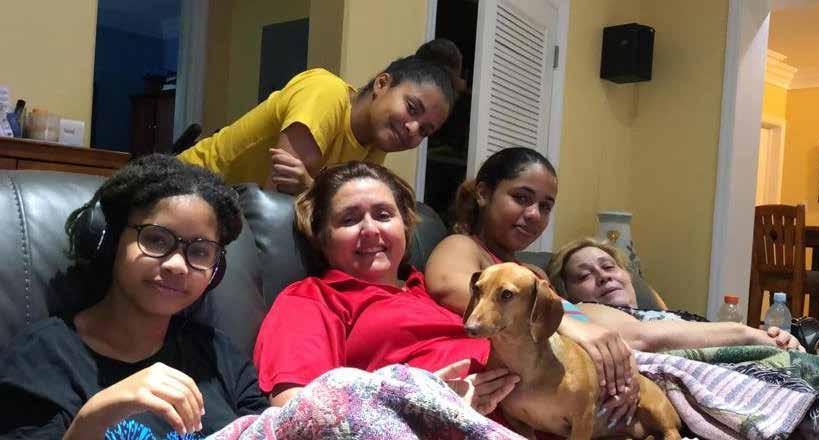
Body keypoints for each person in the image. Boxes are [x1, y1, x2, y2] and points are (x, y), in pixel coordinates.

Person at [0, 155, 269, 438]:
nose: (177, 265)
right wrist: (95, 417)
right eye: (156, 239)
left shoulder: (220, 355)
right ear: (111, 240)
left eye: (200, 251)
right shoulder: (42, 357)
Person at [252, 161, 519, 415]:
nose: (370, 229)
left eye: (383, 215)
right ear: (322, 237)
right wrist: (419, 406)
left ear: (405, 226)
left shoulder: (427, 289)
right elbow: (296, 411)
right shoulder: (312, 299)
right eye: (349, 220)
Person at [424, 147, 639, 429]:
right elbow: (448, 286)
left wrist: (624, 363)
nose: (535, 214)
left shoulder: (533, 273)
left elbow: (581, 324)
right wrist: (563, 324)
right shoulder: (463, 245)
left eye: (546, 206)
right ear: (484, 193)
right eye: (521, 198)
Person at [178, 39, 463, 196]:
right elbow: (274, 206)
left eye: (425, 131)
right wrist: (320, 194)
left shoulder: (374, 146)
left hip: (228, 211)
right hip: (185, 186)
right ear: (382, 84)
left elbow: (344, 209)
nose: (413, 129)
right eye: (412, 108)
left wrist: (312, 188)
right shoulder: (325, 93)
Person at [546, 237, 804, 352]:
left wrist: (776, 339)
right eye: (584, 276)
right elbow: (639, 338)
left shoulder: (658, 314)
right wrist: (747, 334)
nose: (603, 276)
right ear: (567, 293)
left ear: (627, 275)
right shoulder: (585, 310)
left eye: (608, 266)